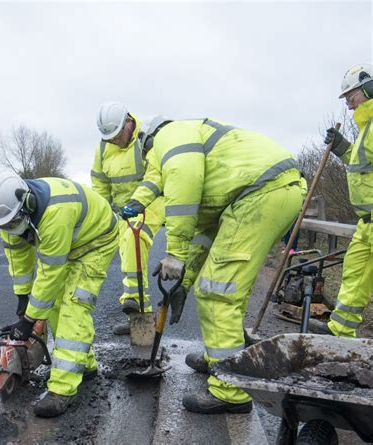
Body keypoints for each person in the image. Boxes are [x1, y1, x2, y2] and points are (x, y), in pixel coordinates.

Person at [123, 116, 303, 414]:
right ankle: (222, 358)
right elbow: (205, 237)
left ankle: (231, 391)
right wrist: (185, 281)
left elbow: (182, 202)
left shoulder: (171, 137)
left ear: (147, 144)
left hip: (261, 192)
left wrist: (175, 257)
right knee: (226, 286)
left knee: (217, 292)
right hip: (266, 192)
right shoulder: (205, 161)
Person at [0, 171, 119, 417]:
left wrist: (29, 320)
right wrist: (23, 296)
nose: (8, 229)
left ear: (27, 204)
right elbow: (19, 256)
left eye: (11, 224)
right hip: (68, 242)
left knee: (74, 304)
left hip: (95, 243)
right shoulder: (8, 215)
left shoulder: (55, 213)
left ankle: (63, 388)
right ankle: (84, 365)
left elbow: (50, 273)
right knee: (51, 304)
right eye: (4, 226)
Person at [91, 102, 165, 334]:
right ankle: (140, 318)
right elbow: (100, 184)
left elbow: (156, 175)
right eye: (109, 137)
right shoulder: (104, 148)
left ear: (129, 123)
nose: (113, 141)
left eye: (116, 135)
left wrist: (138, 201)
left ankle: (134, 300)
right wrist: (103, 215)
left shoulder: (147, 138)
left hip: (152, 201)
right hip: (123, 210)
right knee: (126, 248)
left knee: (136, 236)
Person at [311, 63, 373, 337]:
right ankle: (340, 335)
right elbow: (361, 163)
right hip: (367, 224)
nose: (349, 106)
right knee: (354, 277)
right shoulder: (367, 131)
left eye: (351, 98)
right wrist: (340, 146)